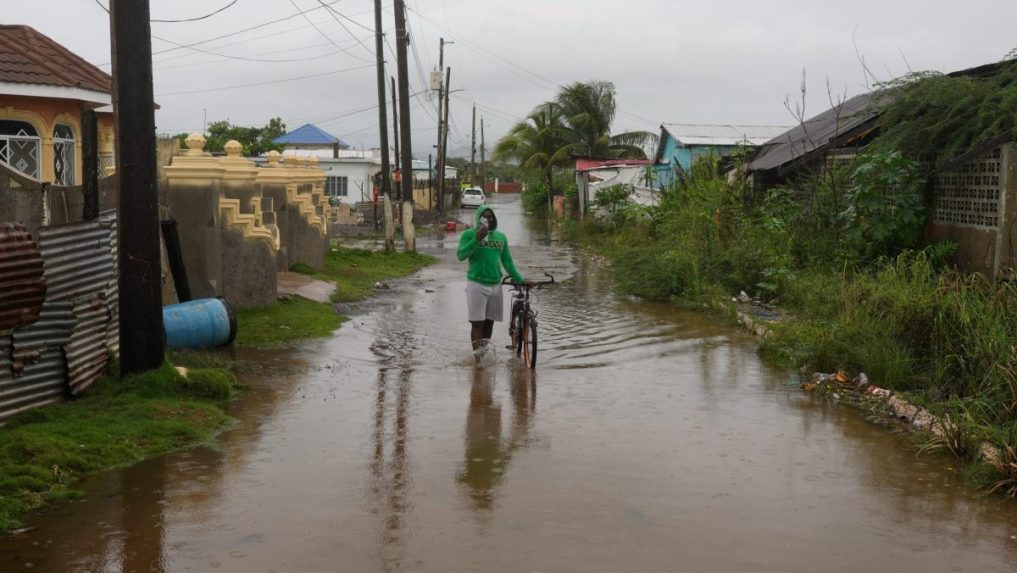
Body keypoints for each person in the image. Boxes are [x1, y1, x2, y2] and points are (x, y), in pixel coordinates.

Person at [456, 205, 530, 351]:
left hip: (496, 285)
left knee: (489, 323)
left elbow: (507, 261)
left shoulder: (501, 237)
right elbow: (461, 255)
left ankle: (483, 353)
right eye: (484, 216)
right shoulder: (468, 235)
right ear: (478, 218)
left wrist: (520, 279)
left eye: (490, 216)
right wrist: (477, 239)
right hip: (476, 285)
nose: (487, 219)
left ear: (494, 218)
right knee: (477, 323)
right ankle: (478, 359)